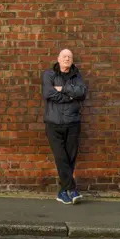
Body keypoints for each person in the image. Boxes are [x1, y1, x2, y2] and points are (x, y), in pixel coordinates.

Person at [42, 49, 87, 205]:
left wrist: (63, 89)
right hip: (53, 124)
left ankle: (63, 192)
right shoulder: (49, 74)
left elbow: (82, 92)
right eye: (64, 56)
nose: (67, 59)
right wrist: (70, 97)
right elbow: (48, 93)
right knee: (61, 157)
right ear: (58, 59)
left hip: (73, 123)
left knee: (70, 158)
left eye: (70, 57)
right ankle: (72, 189)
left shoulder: (77, 75)